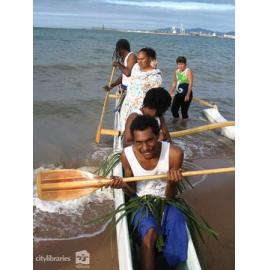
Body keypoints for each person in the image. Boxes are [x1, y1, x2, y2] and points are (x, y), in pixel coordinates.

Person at [110, 115, 188, 270]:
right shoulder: (127, 156)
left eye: (149, 140)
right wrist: (123, 185)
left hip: (167, 199)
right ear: (133, 140)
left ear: (159, 135)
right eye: (138, 142)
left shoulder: (174, 154)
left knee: (178, 223)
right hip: (140, 199)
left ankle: (169, 264)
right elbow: (132, 191)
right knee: (150, 231)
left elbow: (170, 197)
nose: (145, 148)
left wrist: (172, 183)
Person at [119, 47, 162, 131]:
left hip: (140, 111)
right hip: (127, 107)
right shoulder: (135, 67)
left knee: (136, 132)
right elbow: (128, 72)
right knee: (124, 131)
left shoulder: (155, 77)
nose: (139, 61)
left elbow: (154, 100)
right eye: (138, 59)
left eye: (142, 59)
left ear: (150, 59)